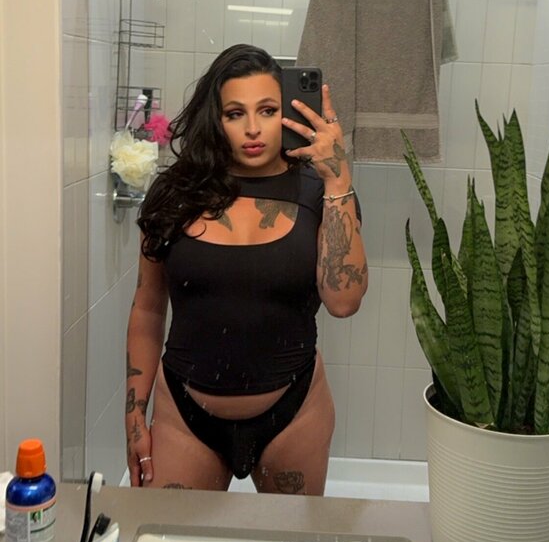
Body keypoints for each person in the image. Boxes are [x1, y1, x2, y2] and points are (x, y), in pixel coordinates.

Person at [125, 44, 368, 494]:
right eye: (235, 113)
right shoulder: (174, 194)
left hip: (294, 414)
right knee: (170, 539)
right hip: (184, 416)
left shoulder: (321, 191)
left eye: (268, 110)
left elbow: (344, 301)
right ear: (215, 119)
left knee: (291, 540)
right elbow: (148, 309)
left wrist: (338, 177)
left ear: (286, 112)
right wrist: (134, 415)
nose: (253, 128)